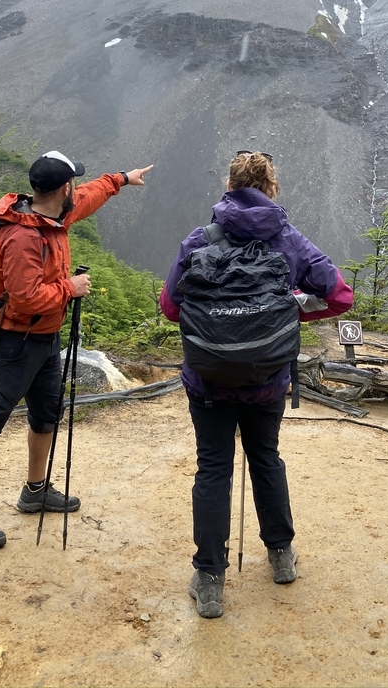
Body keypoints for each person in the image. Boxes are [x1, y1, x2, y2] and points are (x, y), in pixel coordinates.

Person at [159, 150, 353, 618]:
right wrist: (292, 309)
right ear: (271, 187)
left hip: (207, 380)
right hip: (268, 380)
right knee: (266, 459)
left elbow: (170, 307)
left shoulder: (199, 239)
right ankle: (281, 556)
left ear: (228, 186)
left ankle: (209, 580)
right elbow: (340, 296)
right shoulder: (289, 240)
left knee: (212, 469)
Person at [0, 150, 153, 549]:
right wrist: (70, 289)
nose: (77, 189)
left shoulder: (54, 216)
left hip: (46, 339)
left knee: (47, 414)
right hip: (12, 342)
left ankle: (34, 491)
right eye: (73, 183)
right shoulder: (23, 236)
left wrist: (121, 179)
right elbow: (24, 297)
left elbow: (89, 196)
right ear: (63, 188)